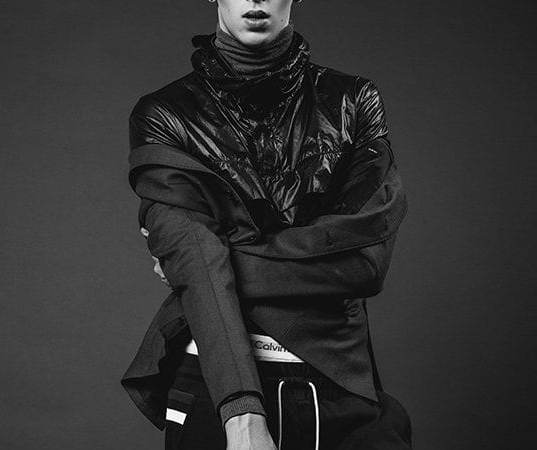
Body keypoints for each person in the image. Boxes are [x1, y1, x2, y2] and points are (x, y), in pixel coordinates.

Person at [121, 1, 412, 448]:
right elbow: (196, 265)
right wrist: (241, 412)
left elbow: (364, 265)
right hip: (216, 387)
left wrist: (210, 261)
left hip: (340, 382)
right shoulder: (164, 114)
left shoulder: (353, 100)